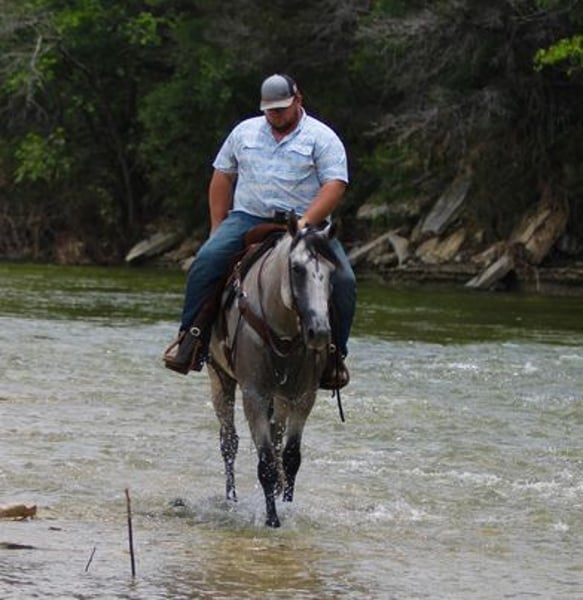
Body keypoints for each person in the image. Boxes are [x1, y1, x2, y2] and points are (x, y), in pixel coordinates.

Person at [163, 73, 356, 389]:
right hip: (248, 217)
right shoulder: (244, 132)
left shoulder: (322, 137)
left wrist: (306, 222)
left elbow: (334, 185)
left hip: (306, 224)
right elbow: (223, 176)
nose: (275, 115)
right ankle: (191, 339)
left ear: (298, 100)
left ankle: (334, 356)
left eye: (281, 108)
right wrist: (217, 226)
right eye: (270, 110)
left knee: (344, 280)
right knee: (206, 261)